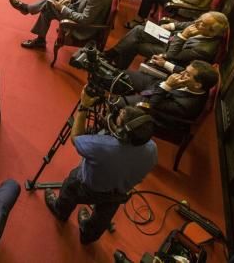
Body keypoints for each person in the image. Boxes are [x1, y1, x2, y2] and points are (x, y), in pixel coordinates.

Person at [44, 101, 157, 244]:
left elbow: (76, 138)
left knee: (70, 186)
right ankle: (87, 235)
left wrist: (84, 106)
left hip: (87, 188)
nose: (119, 112)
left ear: (122, 134)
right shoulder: (153, 148)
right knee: (103, 215)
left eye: (120, 117)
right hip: (119, 194)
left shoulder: (102, 146)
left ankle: (60, 211)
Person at [106, 11, 228, 71]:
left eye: (202, 23)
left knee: (136, 44)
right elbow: (187, 23)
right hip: (170, 37)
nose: (197, 22)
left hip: (170, 52)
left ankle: (118, 67)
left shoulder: (204, 50)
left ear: (211, 32)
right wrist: (170, 26)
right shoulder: (202, 23)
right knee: (138, 29)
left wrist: (183, 36)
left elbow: (173, 55)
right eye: (200, 19)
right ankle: (113, 54)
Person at [122, 61, 219, 124]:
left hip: (152, 104)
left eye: (187, 74)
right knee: (124, 75)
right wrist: (164, 64)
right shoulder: (193, 83)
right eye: (185, 70)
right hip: (156, 88)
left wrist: (167, 85)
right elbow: (181, 70)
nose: (181, 73)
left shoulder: (186, 105)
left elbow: (152, 105)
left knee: (118, 102)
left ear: (197, 85)